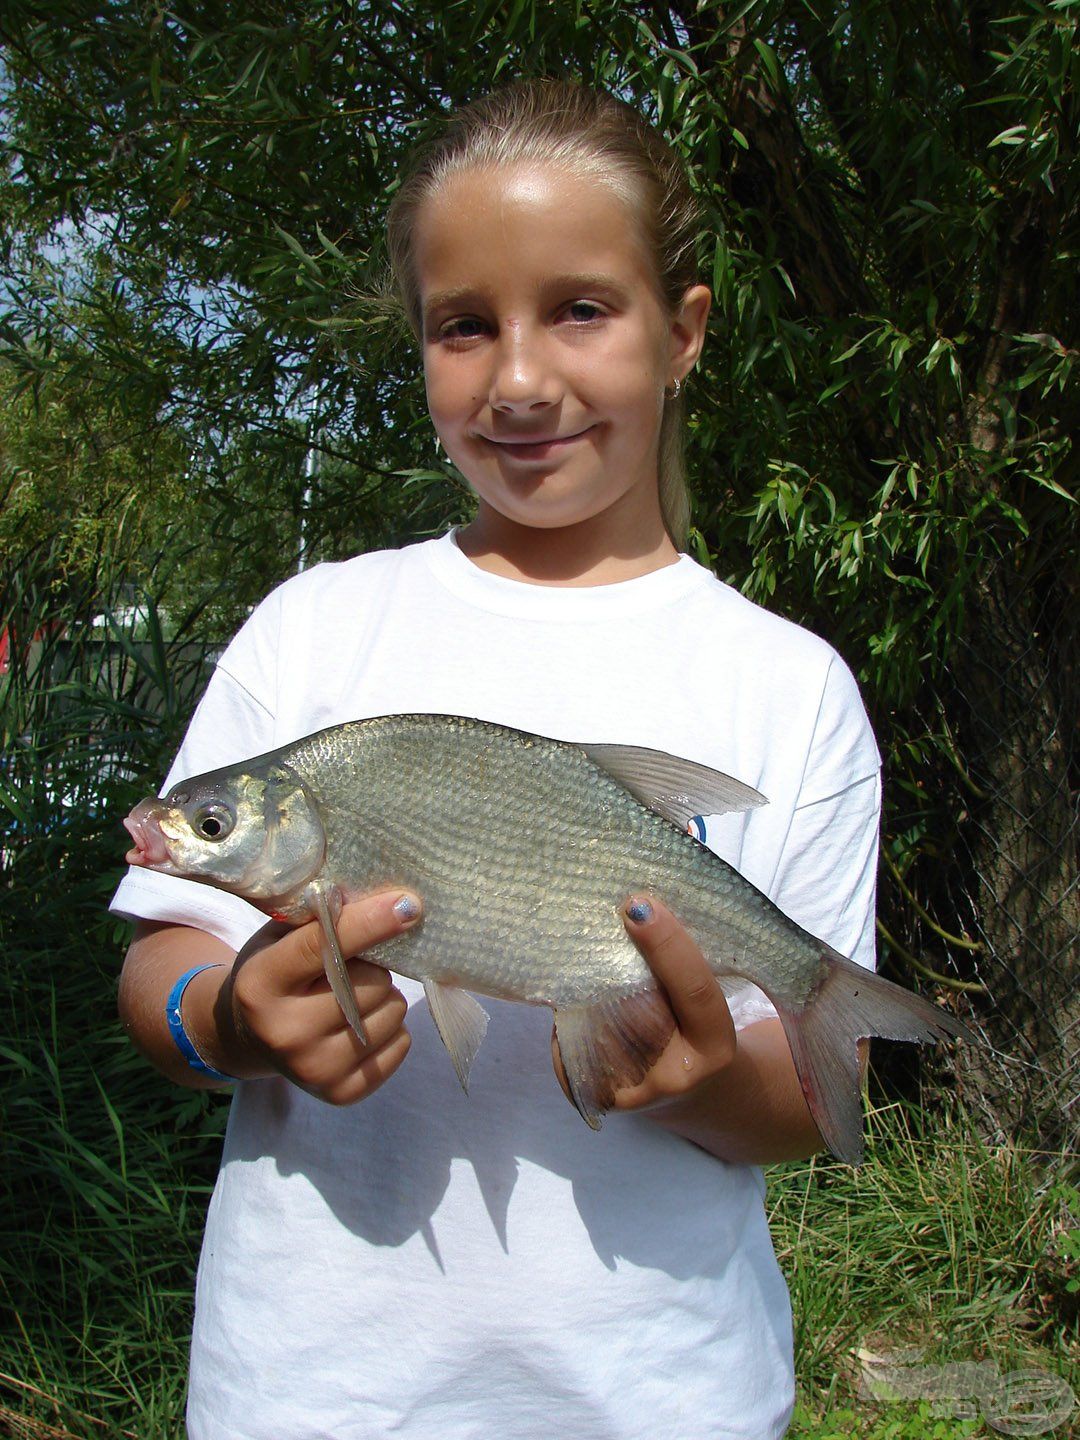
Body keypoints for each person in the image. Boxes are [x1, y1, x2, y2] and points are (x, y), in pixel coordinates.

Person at [113, 79, 880, 1439]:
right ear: (417, 347)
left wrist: (701, 1071)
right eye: (464, 328)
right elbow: (162, 968)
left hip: (661, 1397)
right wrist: (225, 1021)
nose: (519, 379)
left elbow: (809, 1114)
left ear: (683, 331)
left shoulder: (789, 688)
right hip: (314, 1395)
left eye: (579, 309)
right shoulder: (315, 632)